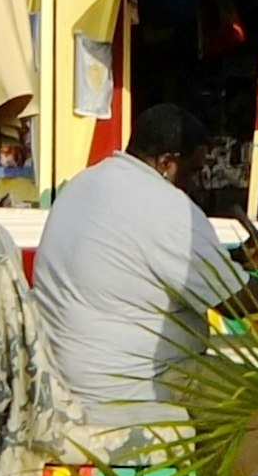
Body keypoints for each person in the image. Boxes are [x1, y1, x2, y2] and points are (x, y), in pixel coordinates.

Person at [30, 101, 243, 435]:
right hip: (128, 387)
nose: (198, 182)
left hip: (63, 377)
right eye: (193, 170)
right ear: (166, 163)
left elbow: (141, 267)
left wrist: (240, 260)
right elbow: (235, 301)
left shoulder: (83, 185)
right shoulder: (168, 207)